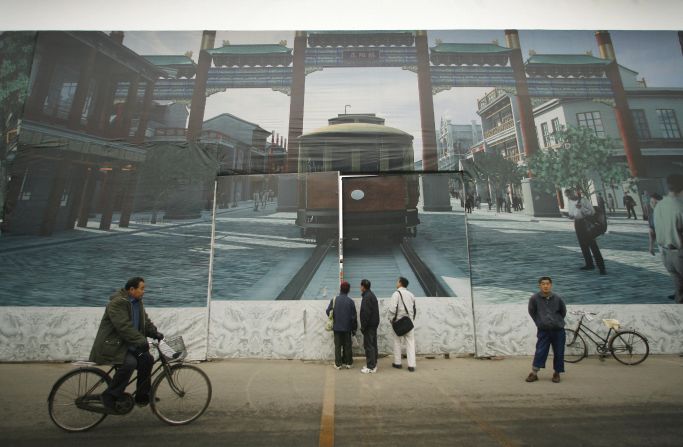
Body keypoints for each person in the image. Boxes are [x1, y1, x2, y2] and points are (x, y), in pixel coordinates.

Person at [89, 277, 163, 412]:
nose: (144, 292)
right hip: (113, 346)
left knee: (147, 359)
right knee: (130, 363)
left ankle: (142, 395)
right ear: (132, 289)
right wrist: (141, 341)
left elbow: (144, 322)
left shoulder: (137, 303)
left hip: (129, 345)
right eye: (142, 288)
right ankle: (109, 396)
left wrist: (154, 333)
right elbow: (124, 327)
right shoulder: (117, 303)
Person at [526, 276, 567, 383]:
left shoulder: (557, 298)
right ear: (539, 285)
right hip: (543, 330)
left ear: (551, 285)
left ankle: (557, 373)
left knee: (559, 352)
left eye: (547, 284)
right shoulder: (534, 298)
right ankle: (534, 373)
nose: (545, 286)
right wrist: (540, 322)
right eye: (543, 284)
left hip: (558, 330)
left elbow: (563, 312)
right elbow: (532, 312)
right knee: (540, 351)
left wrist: (556, 322)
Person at [653, 174, 683, 304]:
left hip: (666, 254)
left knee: (680, 292)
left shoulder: (659, 205)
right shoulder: (680, 206)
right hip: (680, 253)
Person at [566, 188, 606, 275]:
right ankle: (589, 264)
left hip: (586, 223)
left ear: (574, 193)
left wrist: (582, 208)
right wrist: (570, 216)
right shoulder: (569, 202)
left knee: (593, 245)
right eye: (567, 195)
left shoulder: (583, 200)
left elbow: (592, 212)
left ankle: (601, 267)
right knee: (583, 245)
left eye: (570, 195)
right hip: (577, 223)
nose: (569, 197)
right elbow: (572, 213)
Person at [326, 281, 358, 369]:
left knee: (337, 346)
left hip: (337, 327)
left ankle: (338, 364)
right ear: (348, 290)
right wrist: (354, 328)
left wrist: (334, 317)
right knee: (347, 346)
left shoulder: (334, 300)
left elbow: (328, 311)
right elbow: (354, 317)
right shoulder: (350, 302)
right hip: (347, 328)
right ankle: (348, 362)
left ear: (340, 289)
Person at [388, 277, 417, 372]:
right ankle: (411, 365)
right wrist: (411, 320)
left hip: (398, 323)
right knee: (410, 343)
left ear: (400, 283)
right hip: (409, 323)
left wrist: (391, 320)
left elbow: (392, 309)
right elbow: (414, 309)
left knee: (397, 342)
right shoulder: (411, 295)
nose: (396, 282)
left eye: (397, 281)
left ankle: (398, 363)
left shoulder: (396, 294)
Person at [359, 279, 380, 374]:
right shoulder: (371, 295)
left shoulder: (367, 297)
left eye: (361, 286)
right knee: (373, 345)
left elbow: (365, 314)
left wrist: (363, 326)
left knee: (369, 346)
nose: (360, 288)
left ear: (363, 287)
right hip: (373, 325)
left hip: (369, 326)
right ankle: (373, 364)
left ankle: (371, 367)